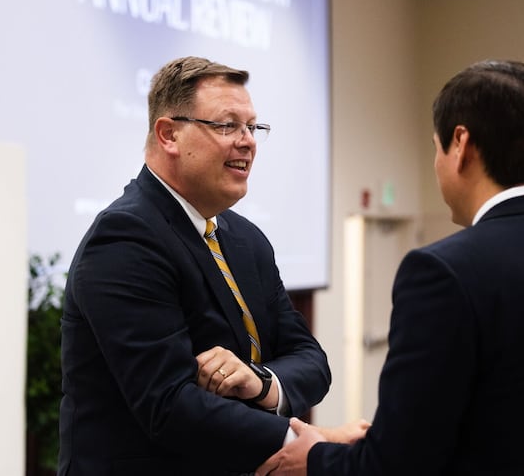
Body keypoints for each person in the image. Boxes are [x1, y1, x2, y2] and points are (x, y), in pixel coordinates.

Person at [257, 60, 524, 475]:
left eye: (436, 147)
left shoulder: (443, 272)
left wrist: (316, 457)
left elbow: (398, 464)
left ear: (460, 143)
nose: (437, 163)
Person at [57, 56, 339, 475]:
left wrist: (260, 381)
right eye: (227, 125)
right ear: (169, 134)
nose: (248, 142)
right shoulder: (125, 237)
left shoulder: (247, 240)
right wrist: (307, 446)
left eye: (253, 127)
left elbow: (311, 360)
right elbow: (169, 403)